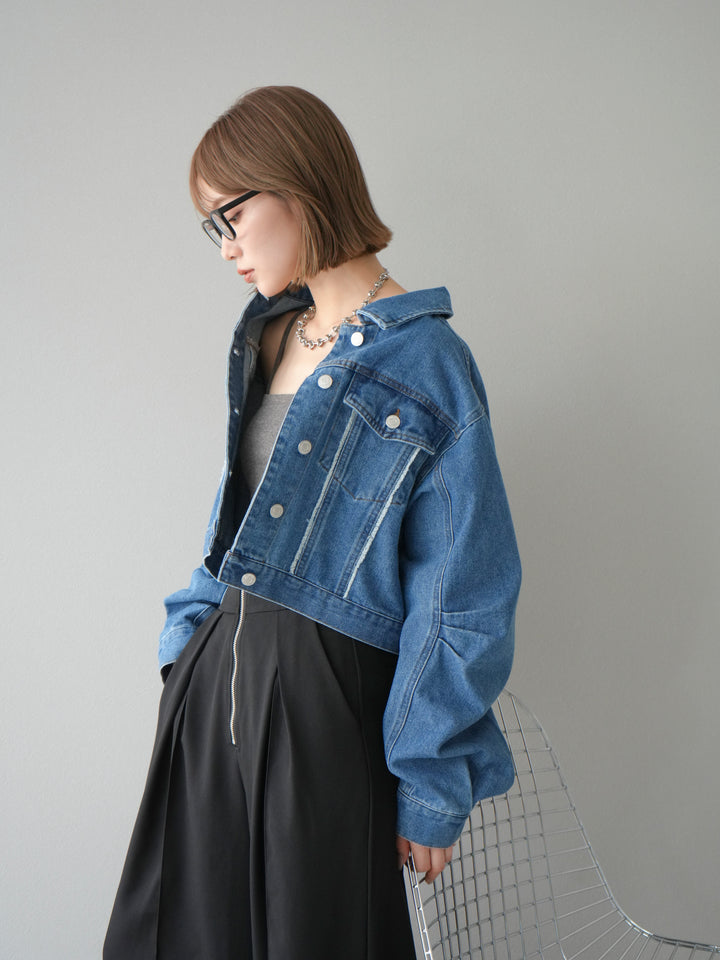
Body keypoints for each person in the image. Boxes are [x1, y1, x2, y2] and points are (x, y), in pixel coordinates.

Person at [104, 85, 521, 960]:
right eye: (212, 228)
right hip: (213, 689)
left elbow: (462, 593)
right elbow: (239, 517)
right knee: (182, 935)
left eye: (231, 216)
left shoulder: (428, 361)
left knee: (317, 935)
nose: (226, 247)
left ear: (295, 186)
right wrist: (187, 642)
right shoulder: (270, 334)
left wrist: (430, 783)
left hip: (323, 706)